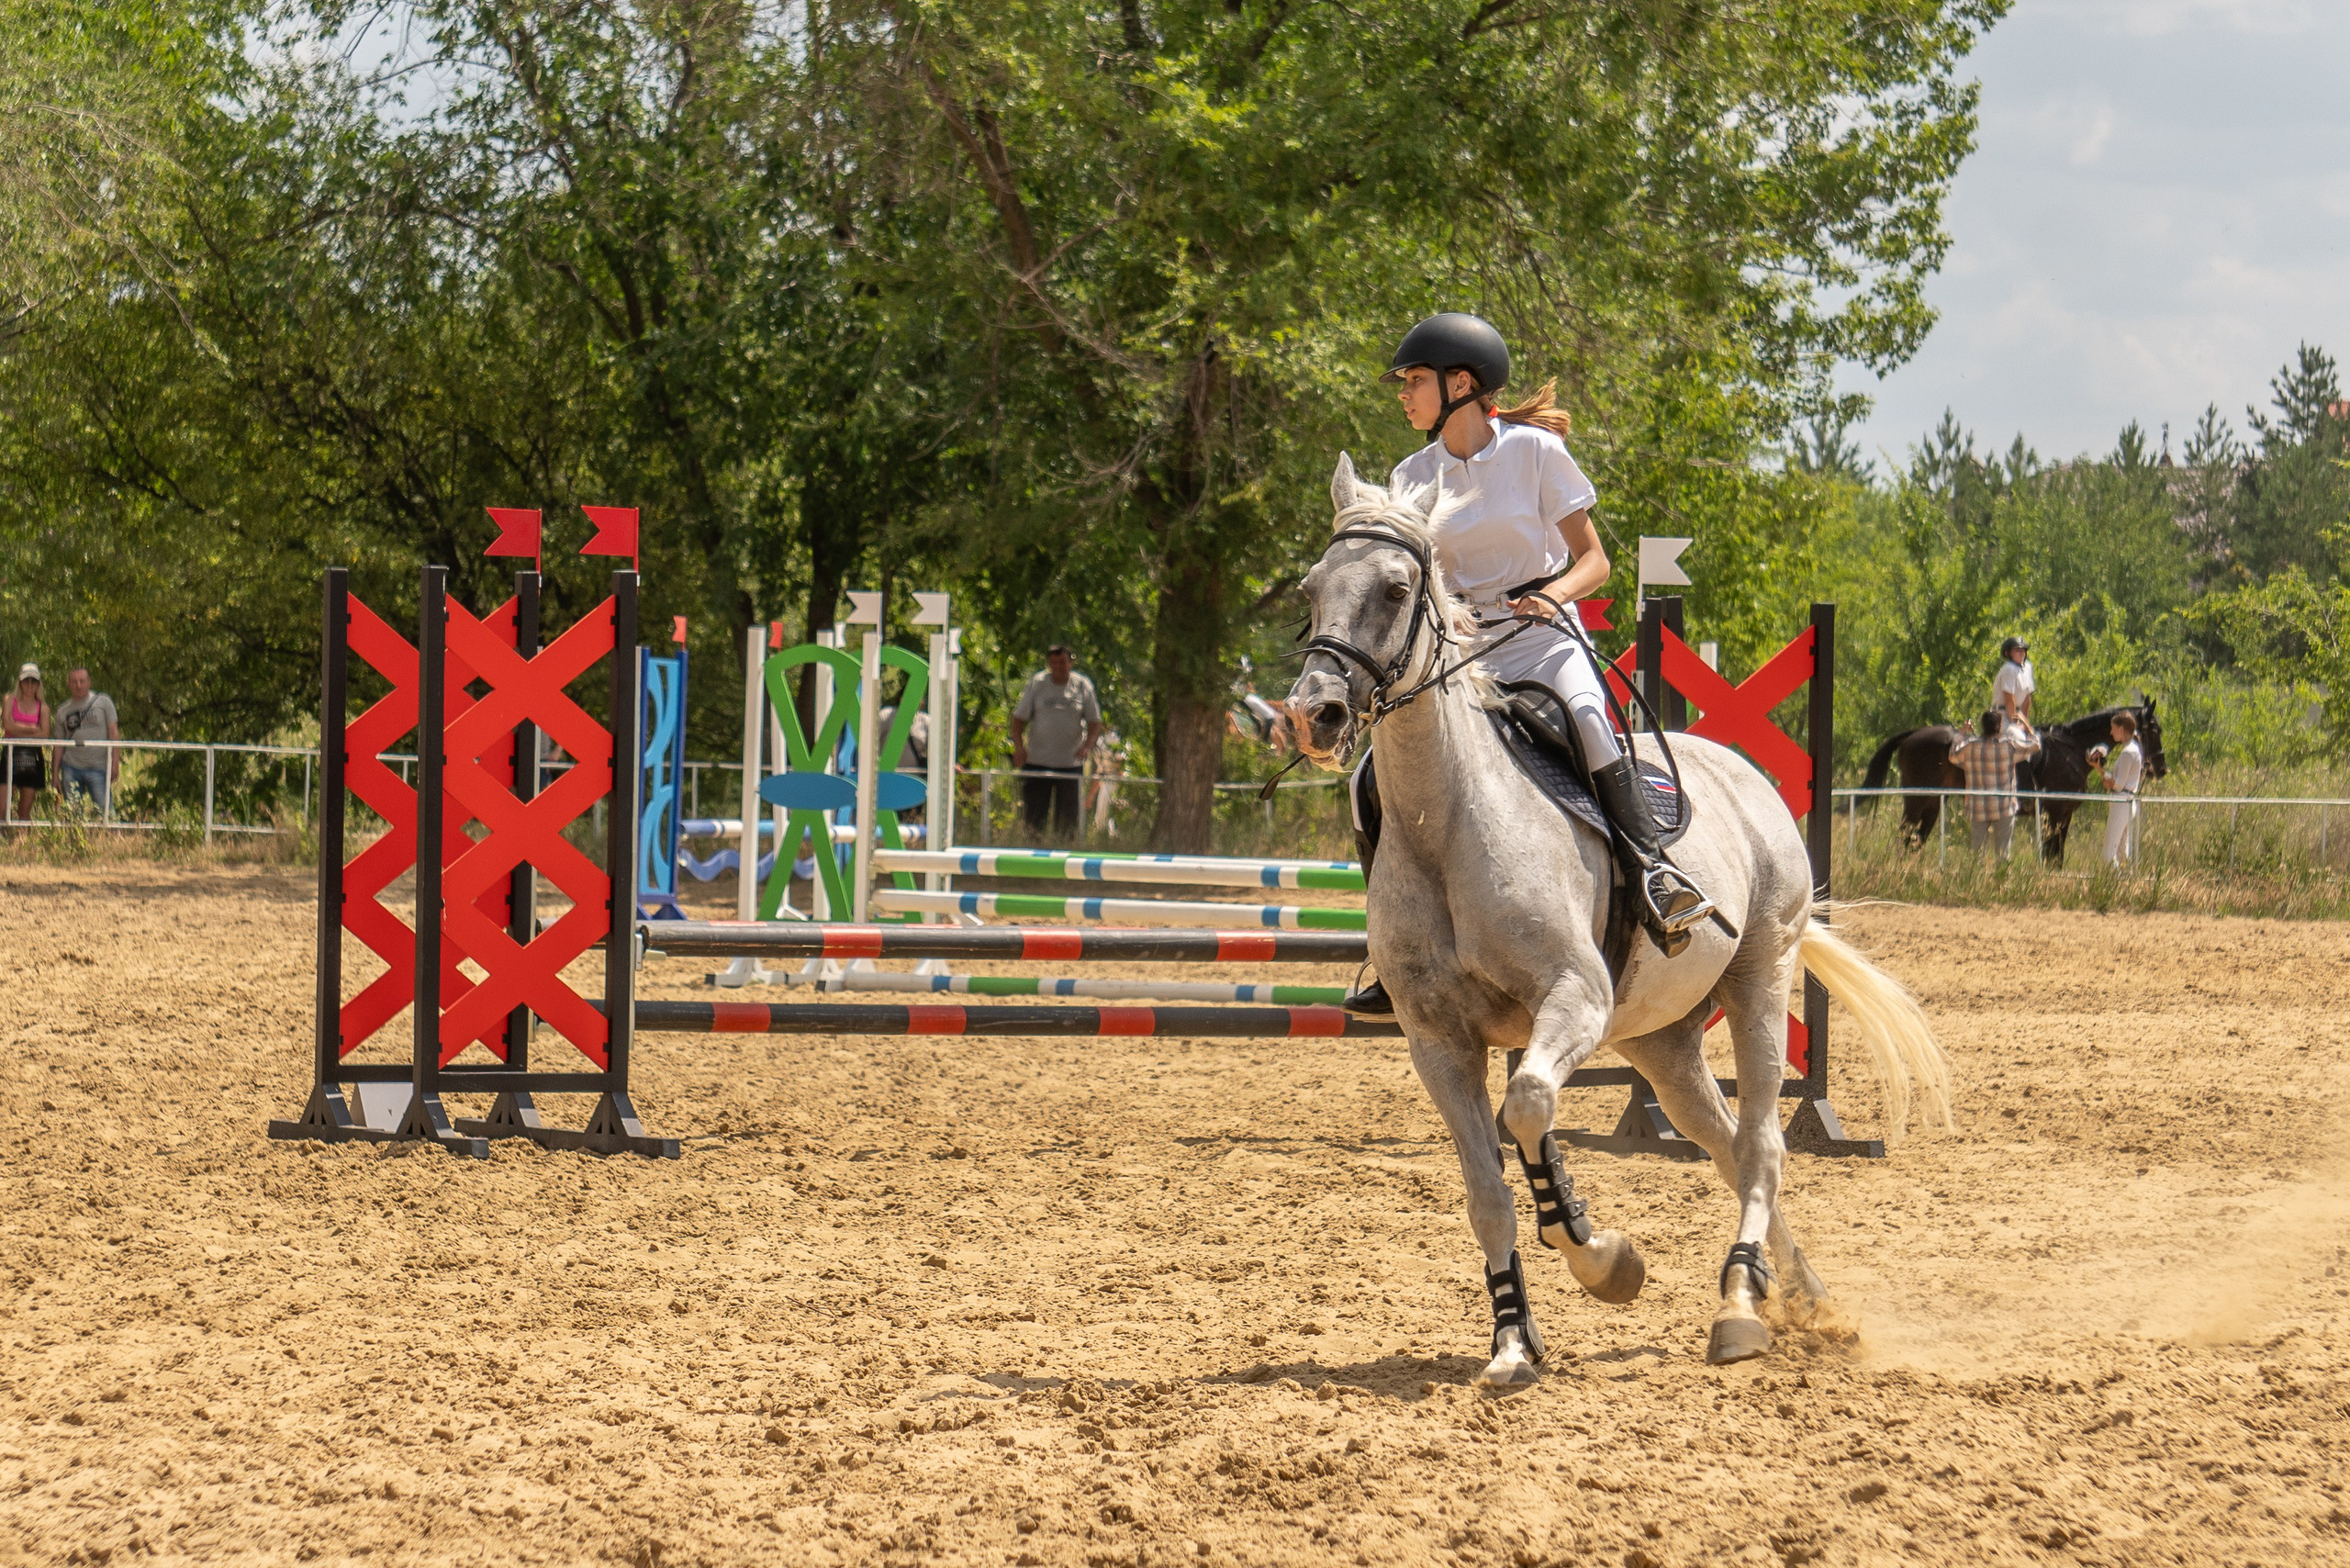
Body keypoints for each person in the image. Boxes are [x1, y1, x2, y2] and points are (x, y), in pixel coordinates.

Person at [1341, 313, 1712, 1014]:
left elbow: (1595, 560)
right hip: (1456, 646)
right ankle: (1392, 948)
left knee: (1588, 720)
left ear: (1461, 383)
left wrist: (1554, 595)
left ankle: (1655, 877)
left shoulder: (1536, 454)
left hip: (1539, 634)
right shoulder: (1410, 474)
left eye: (1414, 381)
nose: (1404, 393)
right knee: (1369, 774)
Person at [1010, 644, 1103, 838]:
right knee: (1034, 821)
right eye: (1053, 662)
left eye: (1062, 662)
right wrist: (1019, 748)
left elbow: (1095, 721)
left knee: (1068, 824)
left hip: (1070, 764)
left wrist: (1088, 746)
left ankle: (1065, 858)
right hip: (1037, 762)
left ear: (1070, 663)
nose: (1058, 666)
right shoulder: (1037, 683)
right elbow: (1018, 718)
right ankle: (1032, 859)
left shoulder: (1082, 685)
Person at [1948, 709, 2041, 858]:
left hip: (1977, 807)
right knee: (2003, 855)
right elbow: (2036, 745)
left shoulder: (1970, 747)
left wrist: (1962, 732)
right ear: (1999, 726)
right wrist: (2026, 724)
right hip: (2004, 807)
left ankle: (1974, 880)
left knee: (1975, 854)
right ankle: (2001, 880)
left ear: (1983, 726)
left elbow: (1952, 756)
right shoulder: (2009, 747)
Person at [52, 666, 121, 814]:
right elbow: (58, 745)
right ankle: (73, 838)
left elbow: (114, 734)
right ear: (69, 683)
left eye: (82, 681)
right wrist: (54, 774)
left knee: (107, 814)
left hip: (98, 767)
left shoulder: (103, 702)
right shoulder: (62, 711)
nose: (78, 685)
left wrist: (115, 763)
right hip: (71, 767)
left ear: (89, 682)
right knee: (71, 814)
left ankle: (111, 836)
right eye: (74, 681)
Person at [2090, 711, 2143, 868]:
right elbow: (2118, 782)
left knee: (2109, 853)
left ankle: (2113, 884)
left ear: (2121, 729)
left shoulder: (2128, 752)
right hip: (2126, 801)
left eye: (2113, 728)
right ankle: (2125, 882)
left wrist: (2111, 783)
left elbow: (2119, 784)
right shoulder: (2131, 749)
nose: (2111, 732)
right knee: (2121, 851)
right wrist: (2099, 769)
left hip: (2121, 802)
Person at [6, 664, 49, 824]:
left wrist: (17, 729)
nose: (30, 685)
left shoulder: (43, 708)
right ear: (20, 682)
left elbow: (45, 734)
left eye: (33, 681)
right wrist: (33, 728)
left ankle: (22, 842)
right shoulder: (10, 700)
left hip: (33, 757)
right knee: (2, 805)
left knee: (24, 810)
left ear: (39, 684)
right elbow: (7, 726)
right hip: (10, 754)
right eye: (26, 681)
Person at [1992, 635, 2034, 739]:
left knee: (2033, 738)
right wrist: (2016, 723)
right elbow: (2009, 699)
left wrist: (2024, 722)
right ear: (2008, 653)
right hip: (2002, 715)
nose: (2021, 652)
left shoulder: (2027, 667)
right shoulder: (2008, 669)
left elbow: (2027, 698)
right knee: (2017, 737)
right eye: (2017, 650)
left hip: (2017, 714)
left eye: (2023, 650)